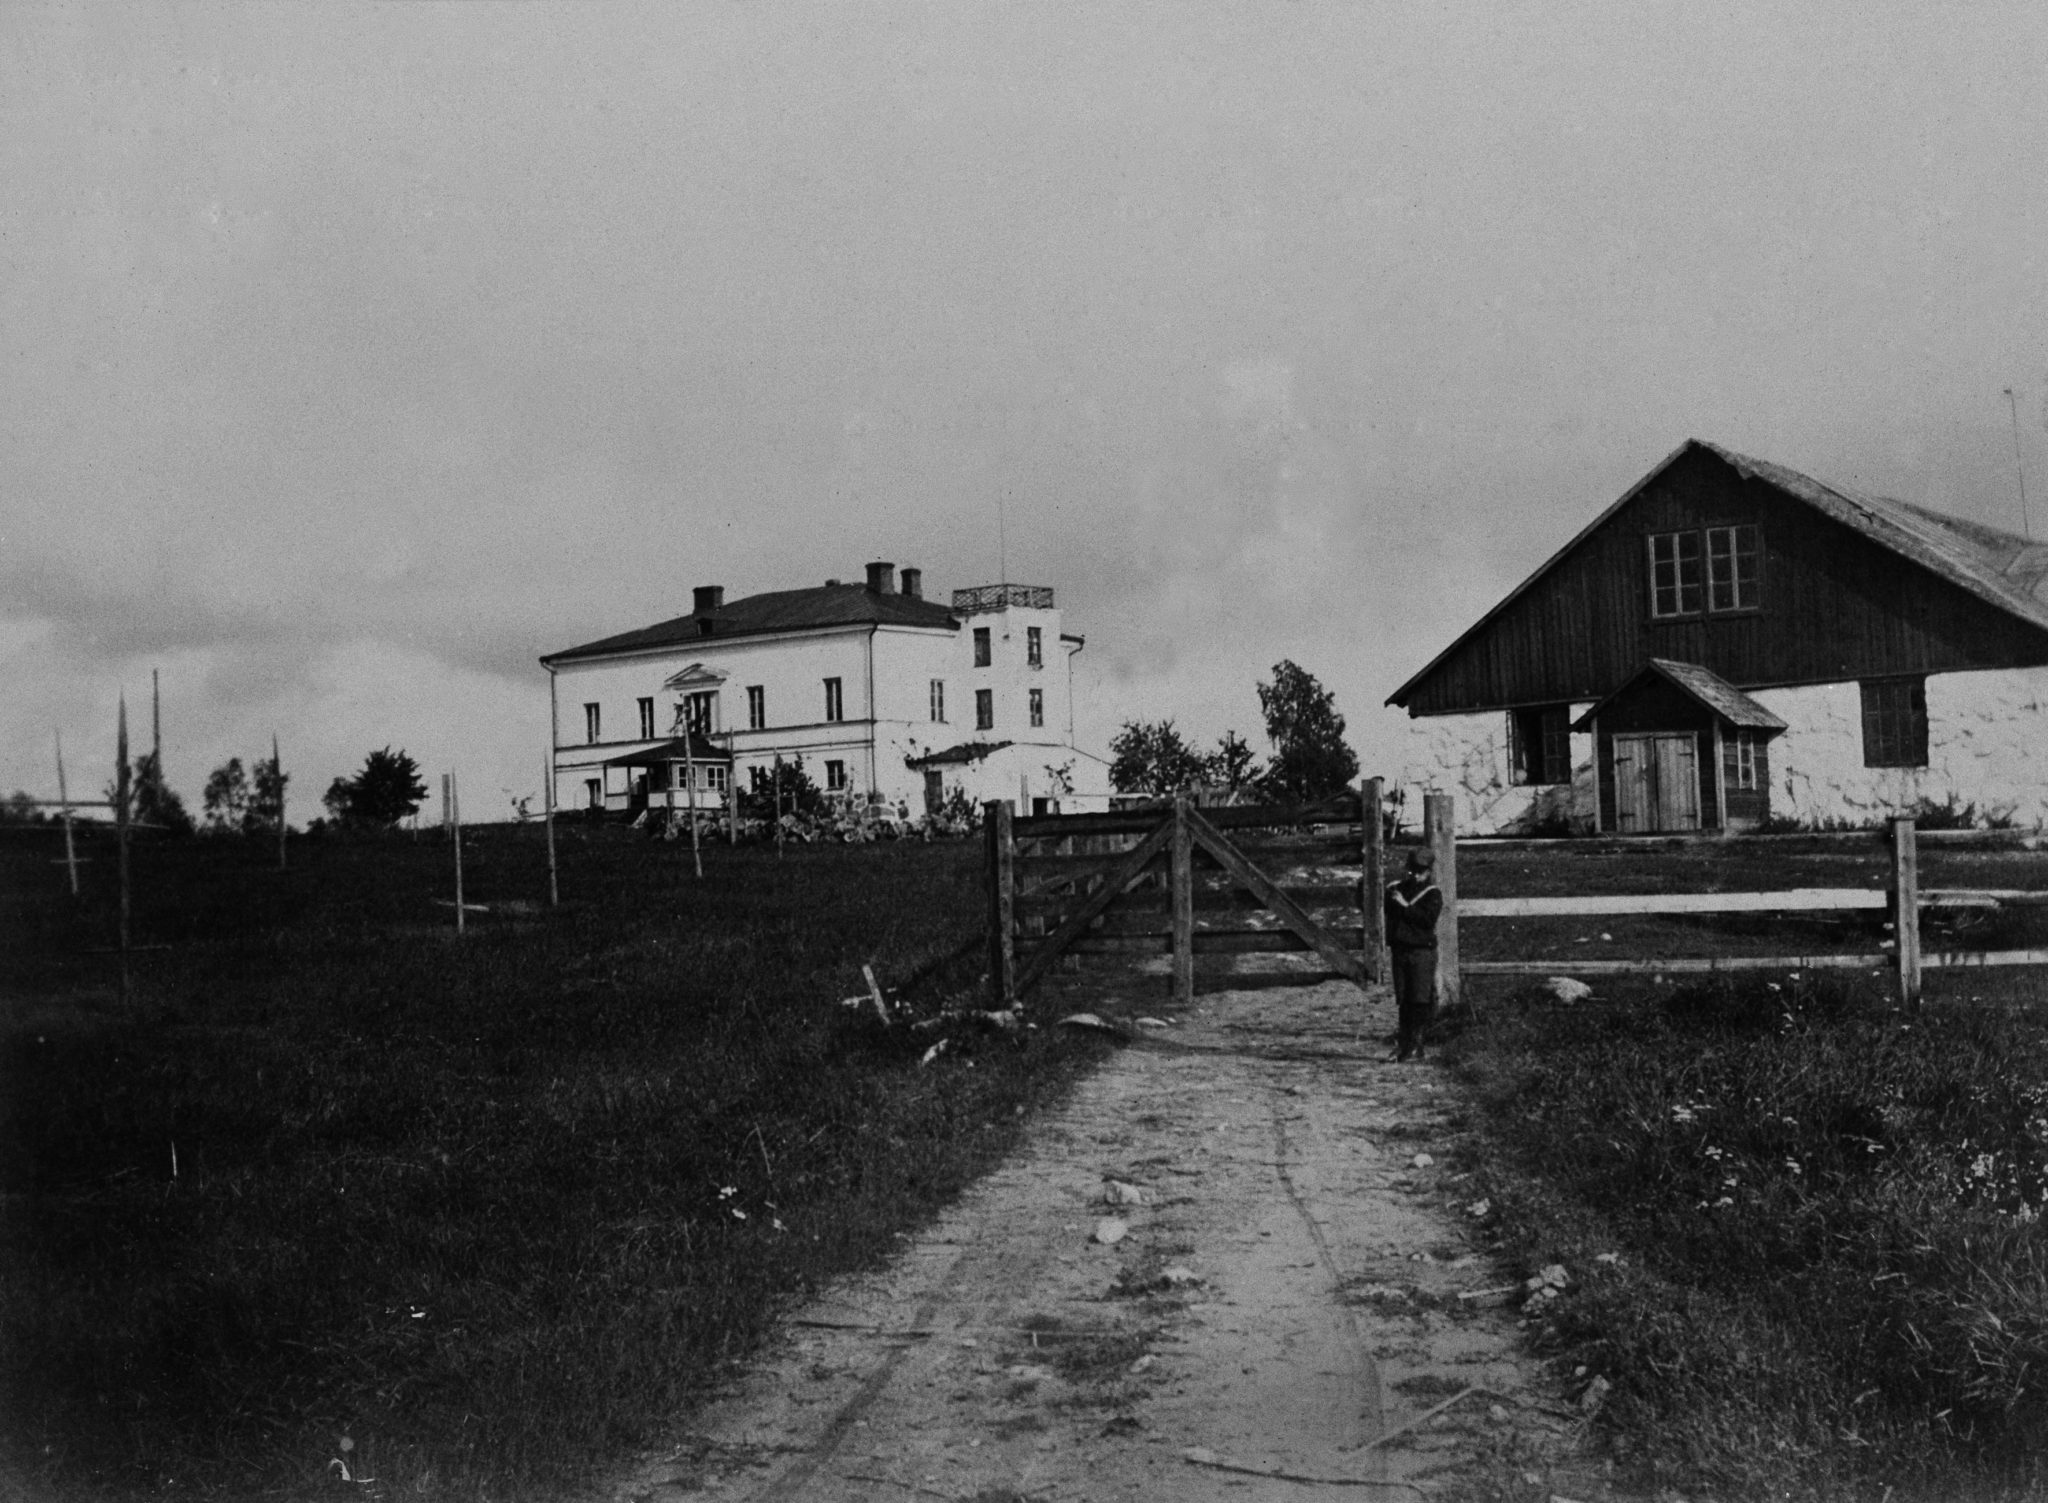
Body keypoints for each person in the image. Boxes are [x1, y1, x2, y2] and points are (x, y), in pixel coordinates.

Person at [1384, 847, 1444, 1061]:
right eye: (1412, 870)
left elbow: (1427, 920)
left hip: (1421, 952)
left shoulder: (1432, 894)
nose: (1415, 875)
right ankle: (1405, 1044)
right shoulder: (1396, 888)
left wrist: (1404, 905)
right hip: (1400, 950)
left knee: (1419, 998)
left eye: (1420, 871)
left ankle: (1416, 1045)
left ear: (1428, 872)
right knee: (1404, 999)